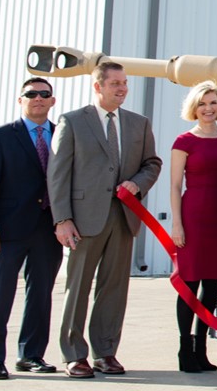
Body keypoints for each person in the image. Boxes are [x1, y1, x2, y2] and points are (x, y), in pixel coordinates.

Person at [49, 61, 162, 378]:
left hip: (124, 218)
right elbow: (57, 174)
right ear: (98, 86)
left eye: (125, 83)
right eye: (115, 83)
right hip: (84, 220)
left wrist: (137, 184)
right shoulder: (72, 121)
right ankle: (74, 354)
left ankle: (105, 352)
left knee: (114, 288)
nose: (123, 88)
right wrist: (63, 219)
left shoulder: (138, 124)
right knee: (78, 288)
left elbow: (152, 163)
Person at [0, 78, 65, 380]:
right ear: (20, 100)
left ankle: (31, 354)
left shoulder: (62, 136)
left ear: (52, 101)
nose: (38, 98)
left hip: (47, 229)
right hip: (7, 229)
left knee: (41, 294)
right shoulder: (0, 136)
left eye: (44, 94)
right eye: (31, 94)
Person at [168, 81, 217, 373]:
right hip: (194, 218)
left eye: (213, 103)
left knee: (212, 288)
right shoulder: (184, 141)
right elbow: (173, 186)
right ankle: (184, 350)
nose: (209, 109)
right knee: (189, 287)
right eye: (203, 103)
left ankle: (202, 349)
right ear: (194, 107)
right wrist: (177, 225)